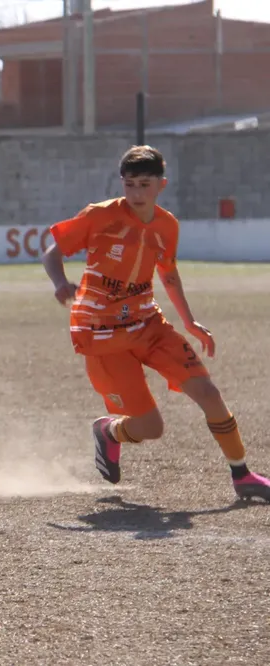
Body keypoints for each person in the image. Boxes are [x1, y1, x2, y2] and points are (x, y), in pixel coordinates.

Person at [41, 145, 270, 500]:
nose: (135, 193)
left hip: (149, 324)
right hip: (101, 336)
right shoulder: (99, 216)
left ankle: (243, 476)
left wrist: (190, 322)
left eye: (144, 184)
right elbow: (52, 253)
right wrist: (59, 283)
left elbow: (168, 273)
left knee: (209, 393)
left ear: (160, 185)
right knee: (151, 428)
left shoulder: (167, 225)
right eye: (129, 184)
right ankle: (109, 432)